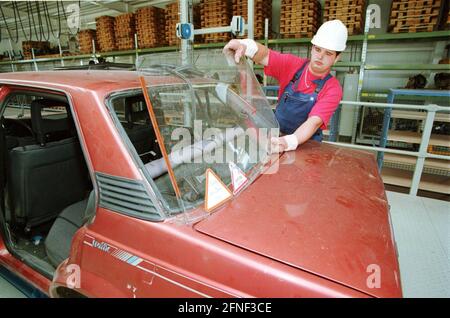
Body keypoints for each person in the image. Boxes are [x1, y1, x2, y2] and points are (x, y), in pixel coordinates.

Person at [223, 20, 348, 153]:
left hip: (306, 146)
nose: (320, 56)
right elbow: (265, 55)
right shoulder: (293, 65)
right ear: (312, 48)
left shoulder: (333, 88)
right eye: (317, 49)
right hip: (276, 136)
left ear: (337, 58)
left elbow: (314, 122)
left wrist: (288, 142)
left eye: (328, 53)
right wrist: (244, 45)